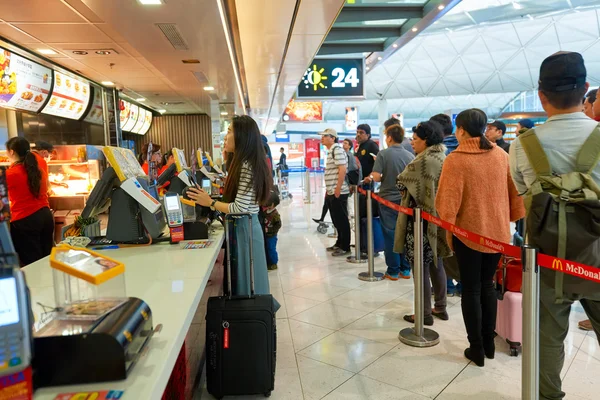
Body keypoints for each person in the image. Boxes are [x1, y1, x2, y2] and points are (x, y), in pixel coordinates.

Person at [510, 51, 600, 399]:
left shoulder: (522, 145)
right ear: (586, 89)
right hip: (596, 258)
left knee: (546, 342)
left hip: (547, 263)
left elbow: (523, 195)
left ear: (541, 95)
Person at [437, 108, 524, 367]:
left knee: (471, 289)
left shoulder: (456, 159)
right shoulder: (500, 155)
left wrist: (447, 223)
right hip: (497, 234)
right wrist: (512, 217)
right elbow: (515, 193)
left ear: (462, 130)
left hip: (468, 235)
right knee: (488, 285)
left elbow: (446, 203)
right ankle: (488, 343)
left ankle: (475, 348)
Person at [187, 116, 279, 311]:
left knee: (249, 284)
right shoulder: (244, 162)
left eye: (229, 131)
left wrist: (210, 202)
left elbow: (241, 208)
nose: (225, 136)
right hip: (246, 227)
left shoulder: (246, 165)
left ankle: (251, 321)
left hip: (246, 228)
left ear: (242, 136)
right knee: (248, 282)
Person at [395, 121, 451, 324]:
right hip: (438, 218)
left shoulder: (423, 160)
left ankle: (424, 313)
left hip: (420, 222)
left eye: (415, 139)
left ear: (425, 140)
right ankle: (441, 307)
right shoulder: (442, 156)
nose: (412, 142)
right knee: (437, 263)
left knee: (420, 267)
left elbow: (401, 180)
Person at [364, 124, 413, 280]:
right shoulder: (409, 155)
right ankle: (405, 269)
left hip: (388, 201)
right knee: (405, 233)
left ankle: (393, 270)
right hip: (405, 201)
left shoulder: (383, 154)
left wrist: (373, 174)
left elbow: (377, 177)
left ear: (390, 137)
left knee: (390, 234)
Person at [5, 137, 54, 265]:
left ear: (11, 152)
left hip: (26, 221)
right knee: (46, 261)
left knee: (32, 265)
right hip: (46, 217)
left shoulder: (10, 174)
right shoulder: (38, 171)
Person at [430, 113, 461, 297]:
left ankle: (447, 285)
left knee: (443, 247)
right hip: (465, 209)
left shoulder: (437, 151)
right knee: (463, 248)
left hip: (441, 207)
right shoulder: (464, 147)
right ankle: (462, 286)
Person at [320, 128, 351, 257]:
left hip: (338, 191)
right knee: (336, 219)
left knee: (342, 219)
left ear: (332, 138)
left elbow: (342, 169)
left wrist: (338, 188)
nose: (322, 138)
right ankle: (339, 243)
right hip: (332, 191)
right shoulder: (331, 151)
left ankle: (345, 246)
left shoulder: (337, 150)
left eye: (324, 136)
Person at [263, 190, 281, 271]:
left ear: (273, 203)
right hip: (267, 234)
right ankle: (269, 262)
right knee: (267, 248)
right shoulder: (266, 211)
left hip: (272, 235)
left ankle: (274, 263)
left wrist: (272, 230)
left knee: (271, 248)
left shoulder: (275, 214)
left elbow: (279, 224)